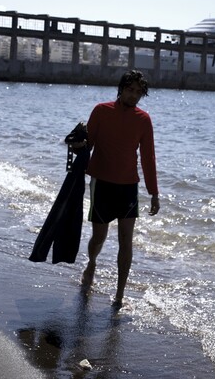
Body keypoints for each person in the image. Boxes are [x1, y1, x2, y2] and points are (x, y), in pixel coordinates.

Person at [78, 70, 160, 308]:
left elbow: (148, 158)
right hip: (102, 184)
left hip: (128, 188)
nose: (133, 96)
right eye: (130, 90)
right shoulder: (101, 111)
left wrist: (154, 192)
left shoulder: (143, 120)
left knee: (126, 241)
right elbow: (88, 146)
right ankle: (91, 262)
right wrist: (76, 147)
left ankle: (120, 295)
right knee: (99, 237)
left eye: (138, 92)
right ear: (121, 89)